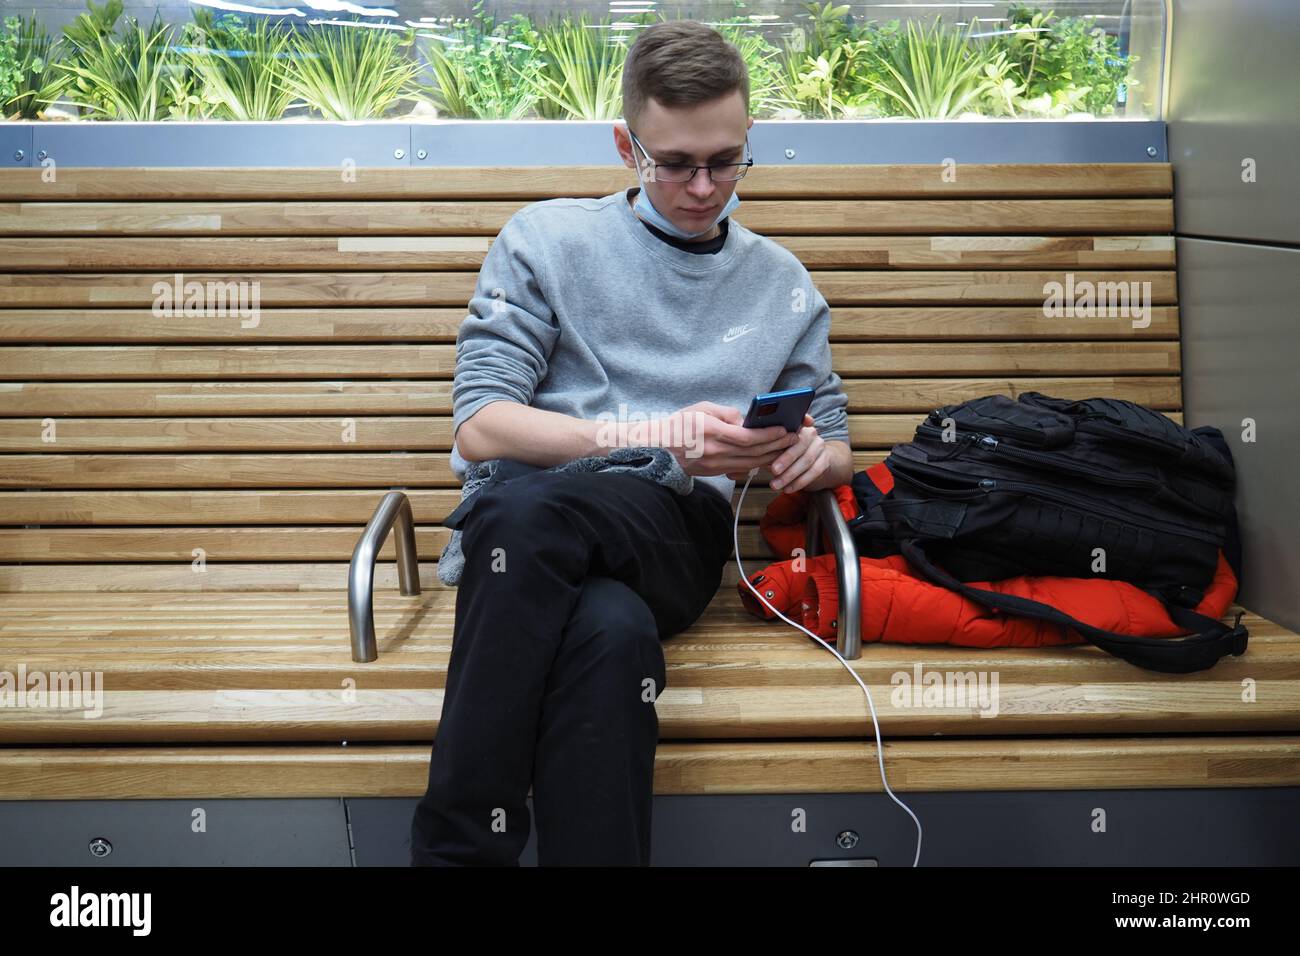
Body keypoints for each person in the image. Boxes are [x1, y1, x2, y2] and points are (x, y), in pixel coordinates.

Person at [409, 19, 853, 866]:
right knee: (608, 637)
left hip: (670, 533)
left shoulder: (780, 284)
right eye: (674, 162)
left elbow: (832, 441)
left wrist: (808, 459)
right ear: (625, 145)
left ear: (748, 138)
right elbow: (481, 425)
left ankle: (454, 852)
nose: (701, 187)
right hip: (535, 541)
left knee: (521, 512)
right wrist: (656, 432)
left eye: (725, 161)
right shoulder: (545, 242)